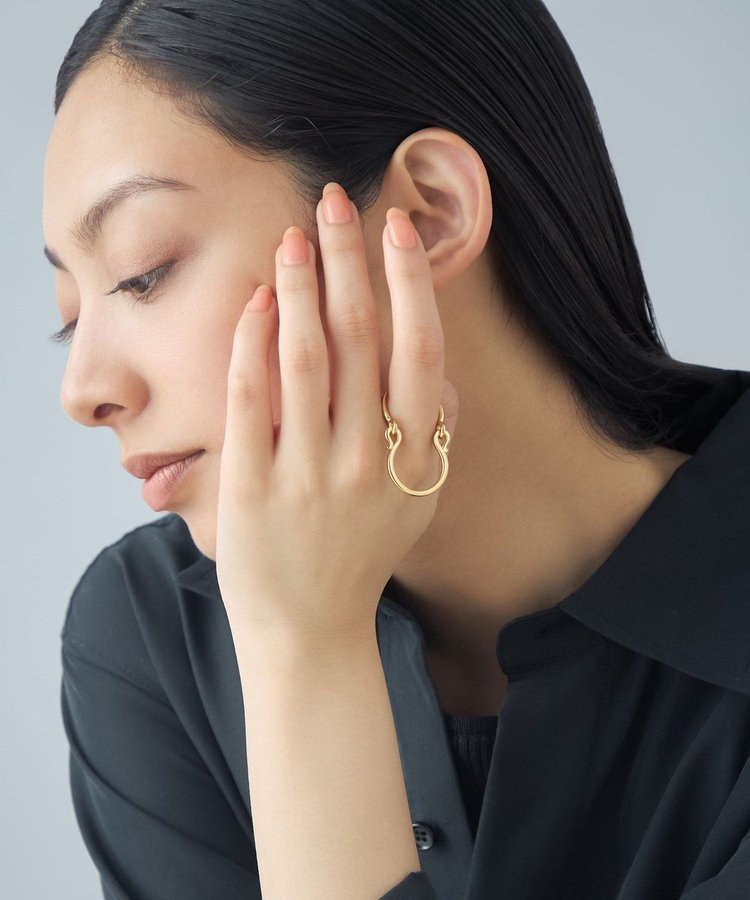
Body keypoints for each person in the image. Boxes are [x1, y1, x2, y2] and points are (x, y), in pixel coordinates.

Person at [47, 1, 750, 898]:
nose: (82, 392)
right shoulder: (152, 637)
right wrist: (304, 644)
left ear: (429, 213)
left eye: (142, 274)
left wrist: (308, 648)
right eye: (70, 318)